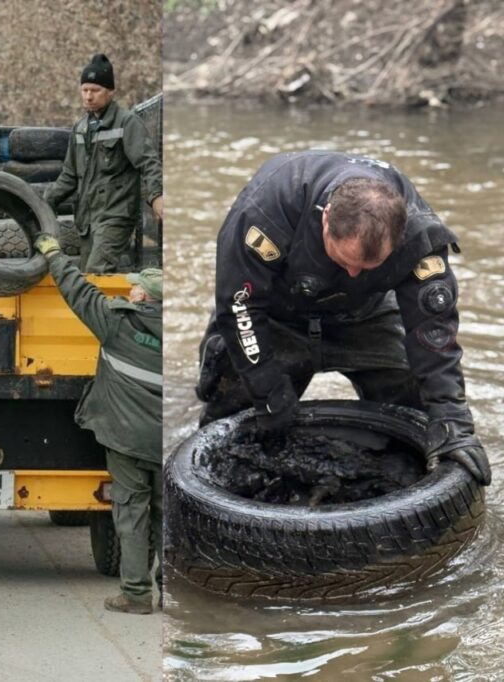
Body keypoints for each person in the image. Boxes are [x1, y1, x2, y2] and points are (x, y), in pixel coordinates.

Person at [195, 150, 490, 486]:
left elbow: (433, 332)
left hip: (366, 314)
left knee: (418, 405)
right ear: (326, 218)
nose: (352, 272)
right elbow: (240, 309)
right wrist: (267, 387)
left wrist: (453, 421)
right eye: (344, 259)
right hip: (276, 316)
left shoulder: (419, 237)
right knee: (237, 407)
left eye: (366, 267)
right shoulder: (266, 212)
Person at [34, 234, 163, 613]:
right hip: (171, 442)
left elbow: (77, 290)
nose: (132, 290)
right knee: (167, 516)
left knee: (132, 514)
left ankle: (137, 595)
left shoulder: (116, 324)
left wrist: (54, 253)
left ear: (142, 297)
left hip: (127, 440)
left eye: (136, 287)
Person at [45, 53, 163, 273]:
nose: (89, 96)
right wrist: (44, 202)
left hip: (116, 216)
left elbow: (148, 162)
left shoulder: (126, 122)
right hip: (87, 221)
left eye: (95, 90)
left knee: (96, 271)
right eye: (85, 90)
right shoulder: (80, 128)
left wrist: (157, 196)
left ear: (110, 92)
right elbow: (69, 175)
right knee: (89, 279)